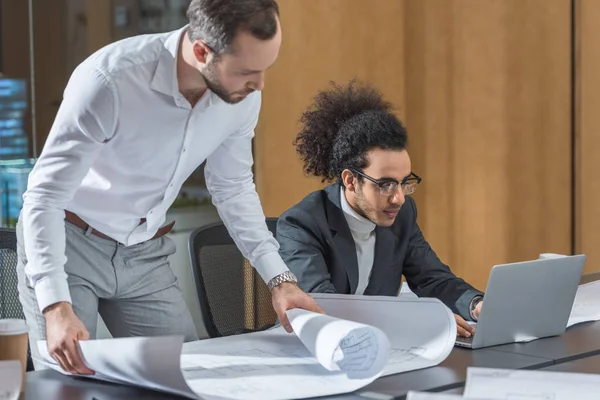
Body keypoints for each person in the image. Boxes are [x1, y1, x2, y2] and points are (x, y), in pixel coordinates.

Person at [17, 0, 321, 374]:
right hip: (70, 246)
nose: (259, 85)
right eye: (247, 71)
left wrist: (280, 280)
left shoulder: (242, 96)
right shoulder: (108, 81)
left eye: (264, 69)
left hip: (144, 254)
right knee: (69, 381)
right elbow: (44, 197)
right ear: (200, 51)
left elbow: (233, 188)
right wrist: (54, 305)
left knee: (186, 376)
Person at [276, 80, 483, 337]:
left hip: (384, 350)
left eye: (404, 183)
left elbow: (432, 278)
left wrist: (476, 305)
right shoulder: (302, 223)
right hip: (316, 353)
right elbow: (323, 307)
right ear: (351, 180)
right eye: (385, 184)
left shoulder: (401, 214)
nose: (398, 198)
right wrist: (416, 319)